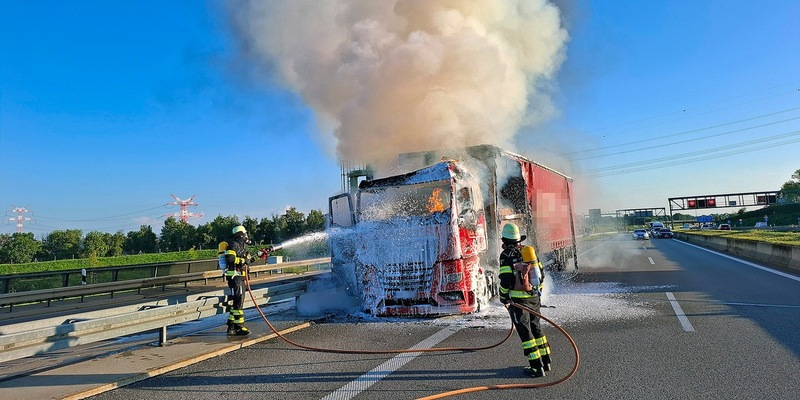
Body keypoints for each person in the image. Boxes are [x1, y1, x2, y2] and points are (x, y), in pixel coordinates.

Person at [498, 223, 552, 378]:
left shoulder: (506, 255)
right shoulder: (529, 251)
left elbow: (506, 280)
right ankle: (546, 362)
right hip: (534, 298)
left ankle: (536, 368)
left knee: (526, 334)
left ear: (505, 240)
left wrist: (503, 296)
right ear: (518, 239)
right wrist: (537, 292)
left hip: (519, 302)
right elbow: (541, 272)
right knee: (537, 329)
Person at [221, 225, 257, 336]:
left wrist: (259, 255)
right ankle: (239, 326)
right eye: (245, 234)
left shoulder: (241, 247)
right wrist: (243, 260)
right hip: (235, 278)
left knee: (238, 302)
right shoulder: (233, 245)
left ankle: (231, 327)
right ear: (241, 234)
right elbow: (230, 258)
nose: (247, 236)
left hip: (240, 278)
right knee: (238, 303)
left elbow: (248, 261)